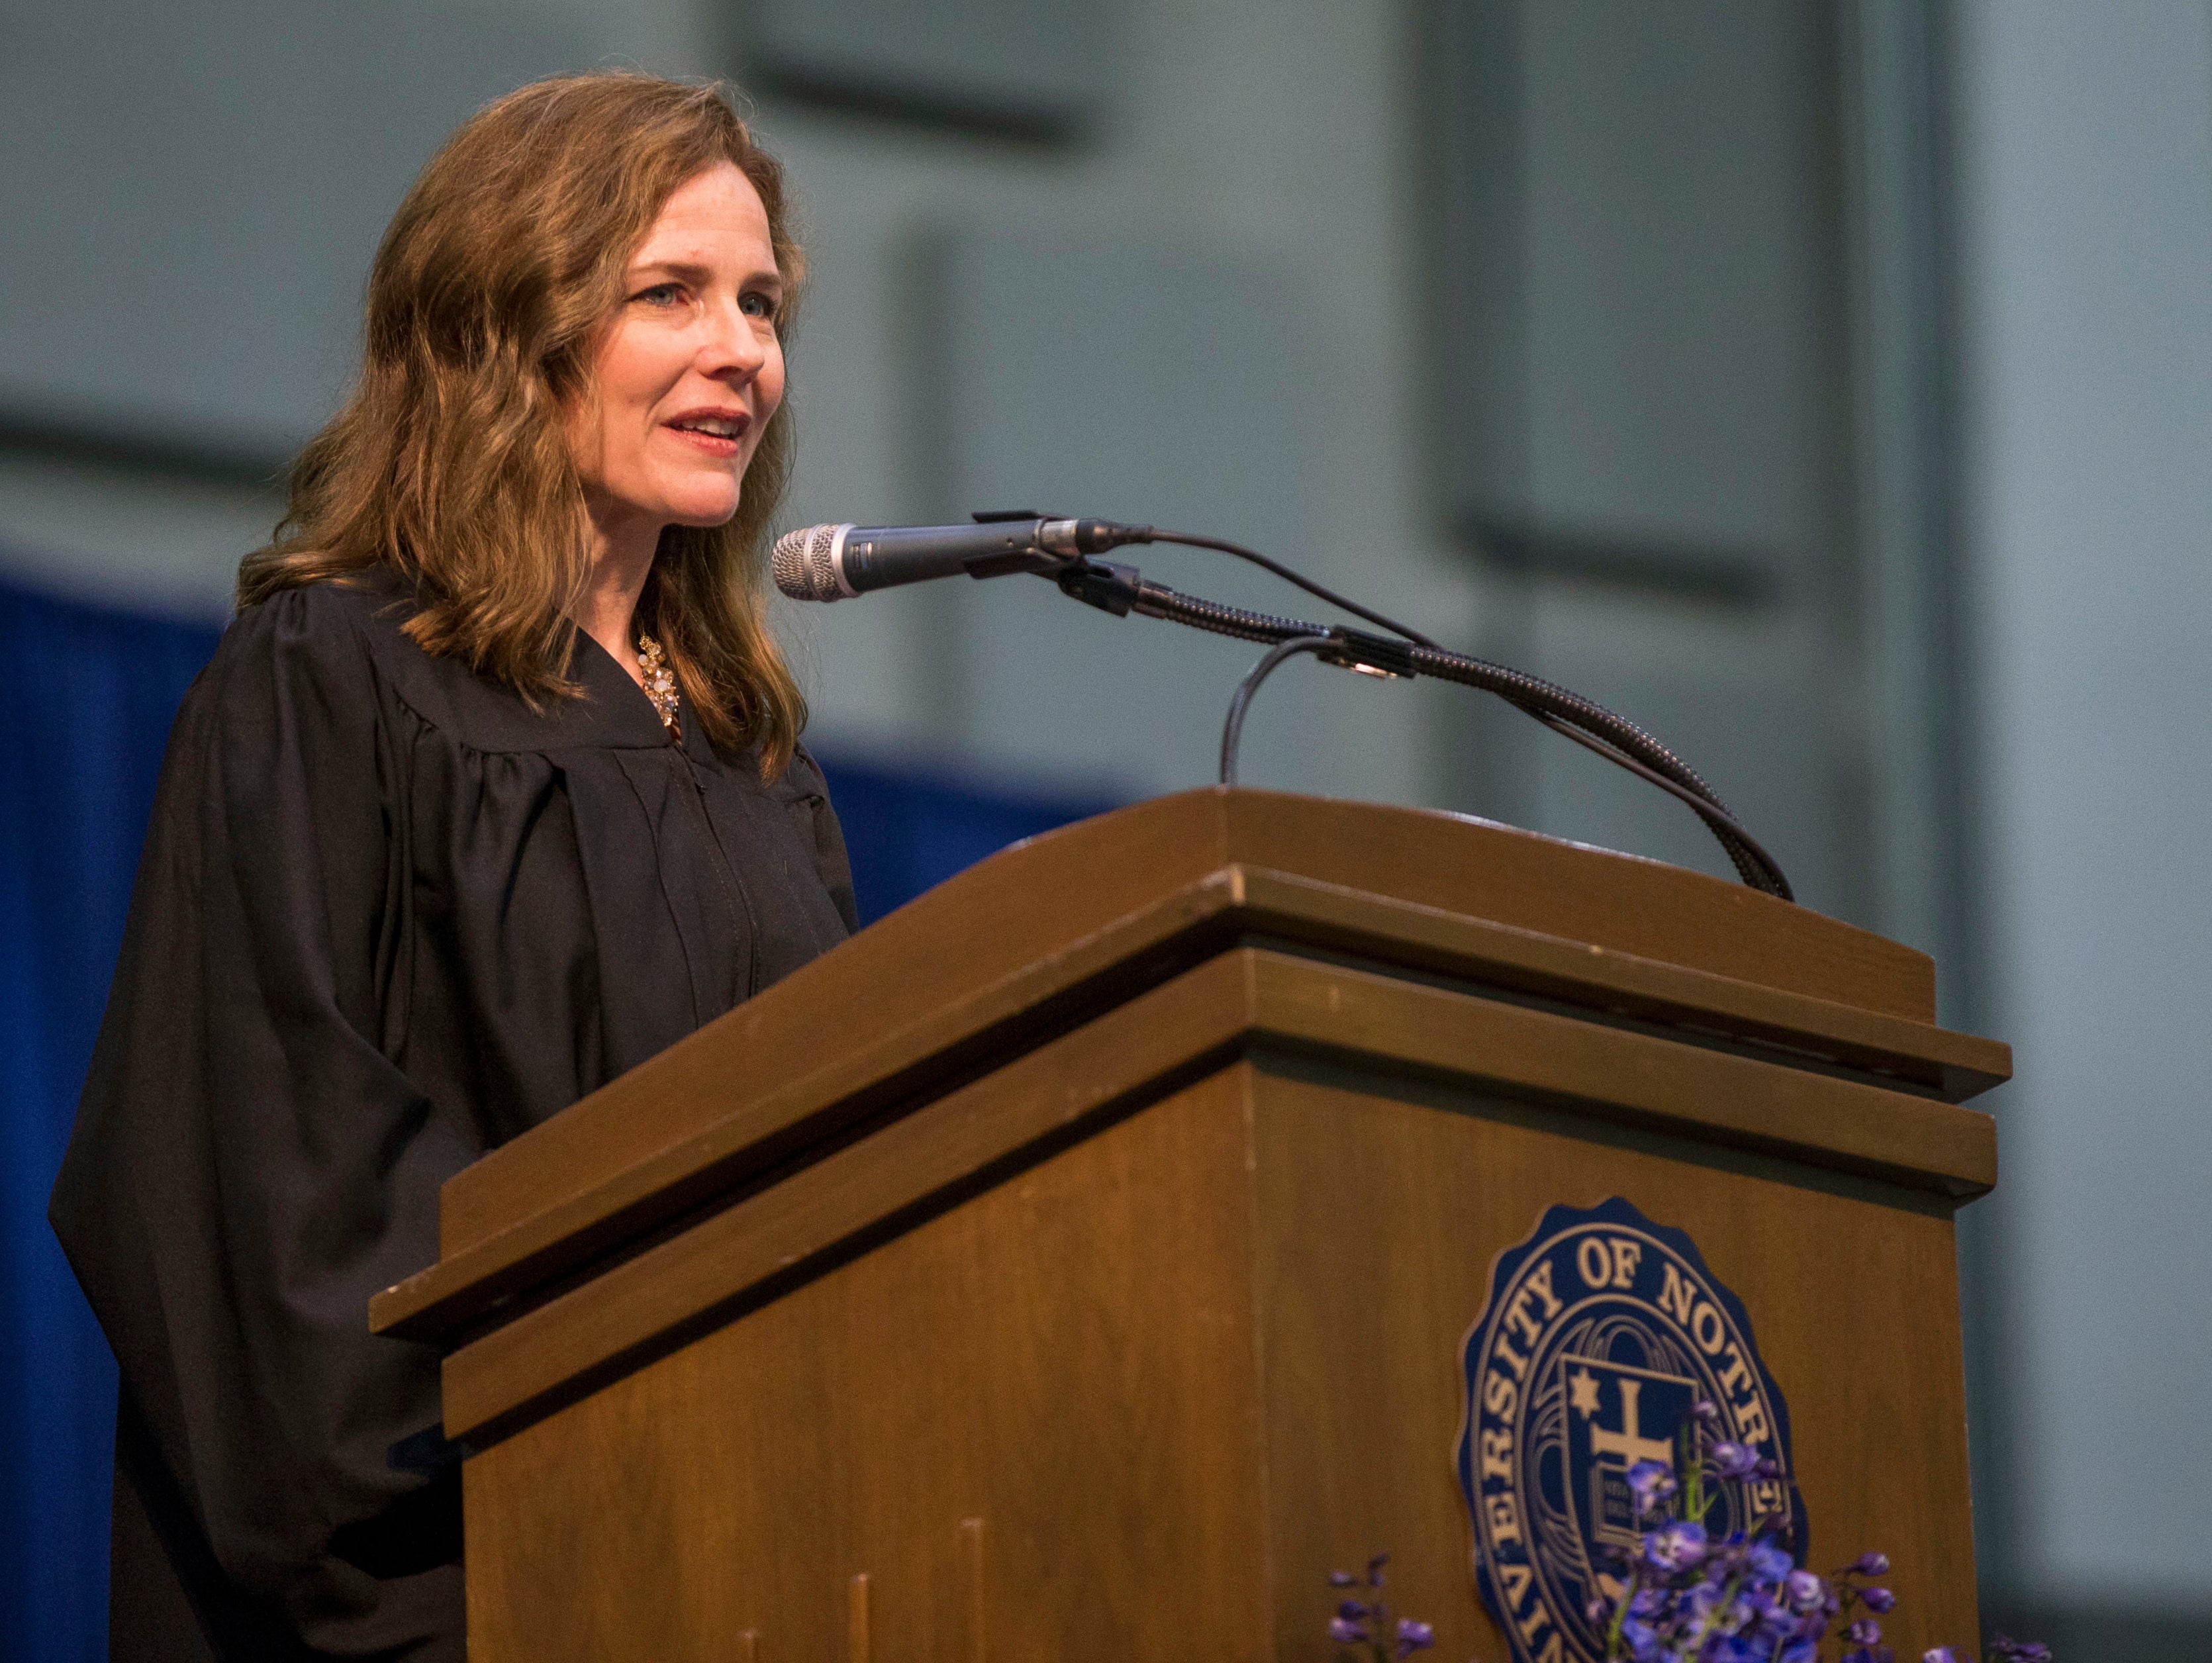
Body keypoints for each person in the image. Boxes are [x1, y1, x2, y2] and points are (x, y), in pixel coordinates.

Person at [49, 73, 857, 1660]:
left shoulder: (759, 760)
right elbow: (272, 1197)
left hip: (760, 1574)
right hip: (468, 1591)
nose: (742, 351)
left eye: (760, 302)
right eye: (669, 294)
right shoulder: (333, 680)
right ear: (507, 325)